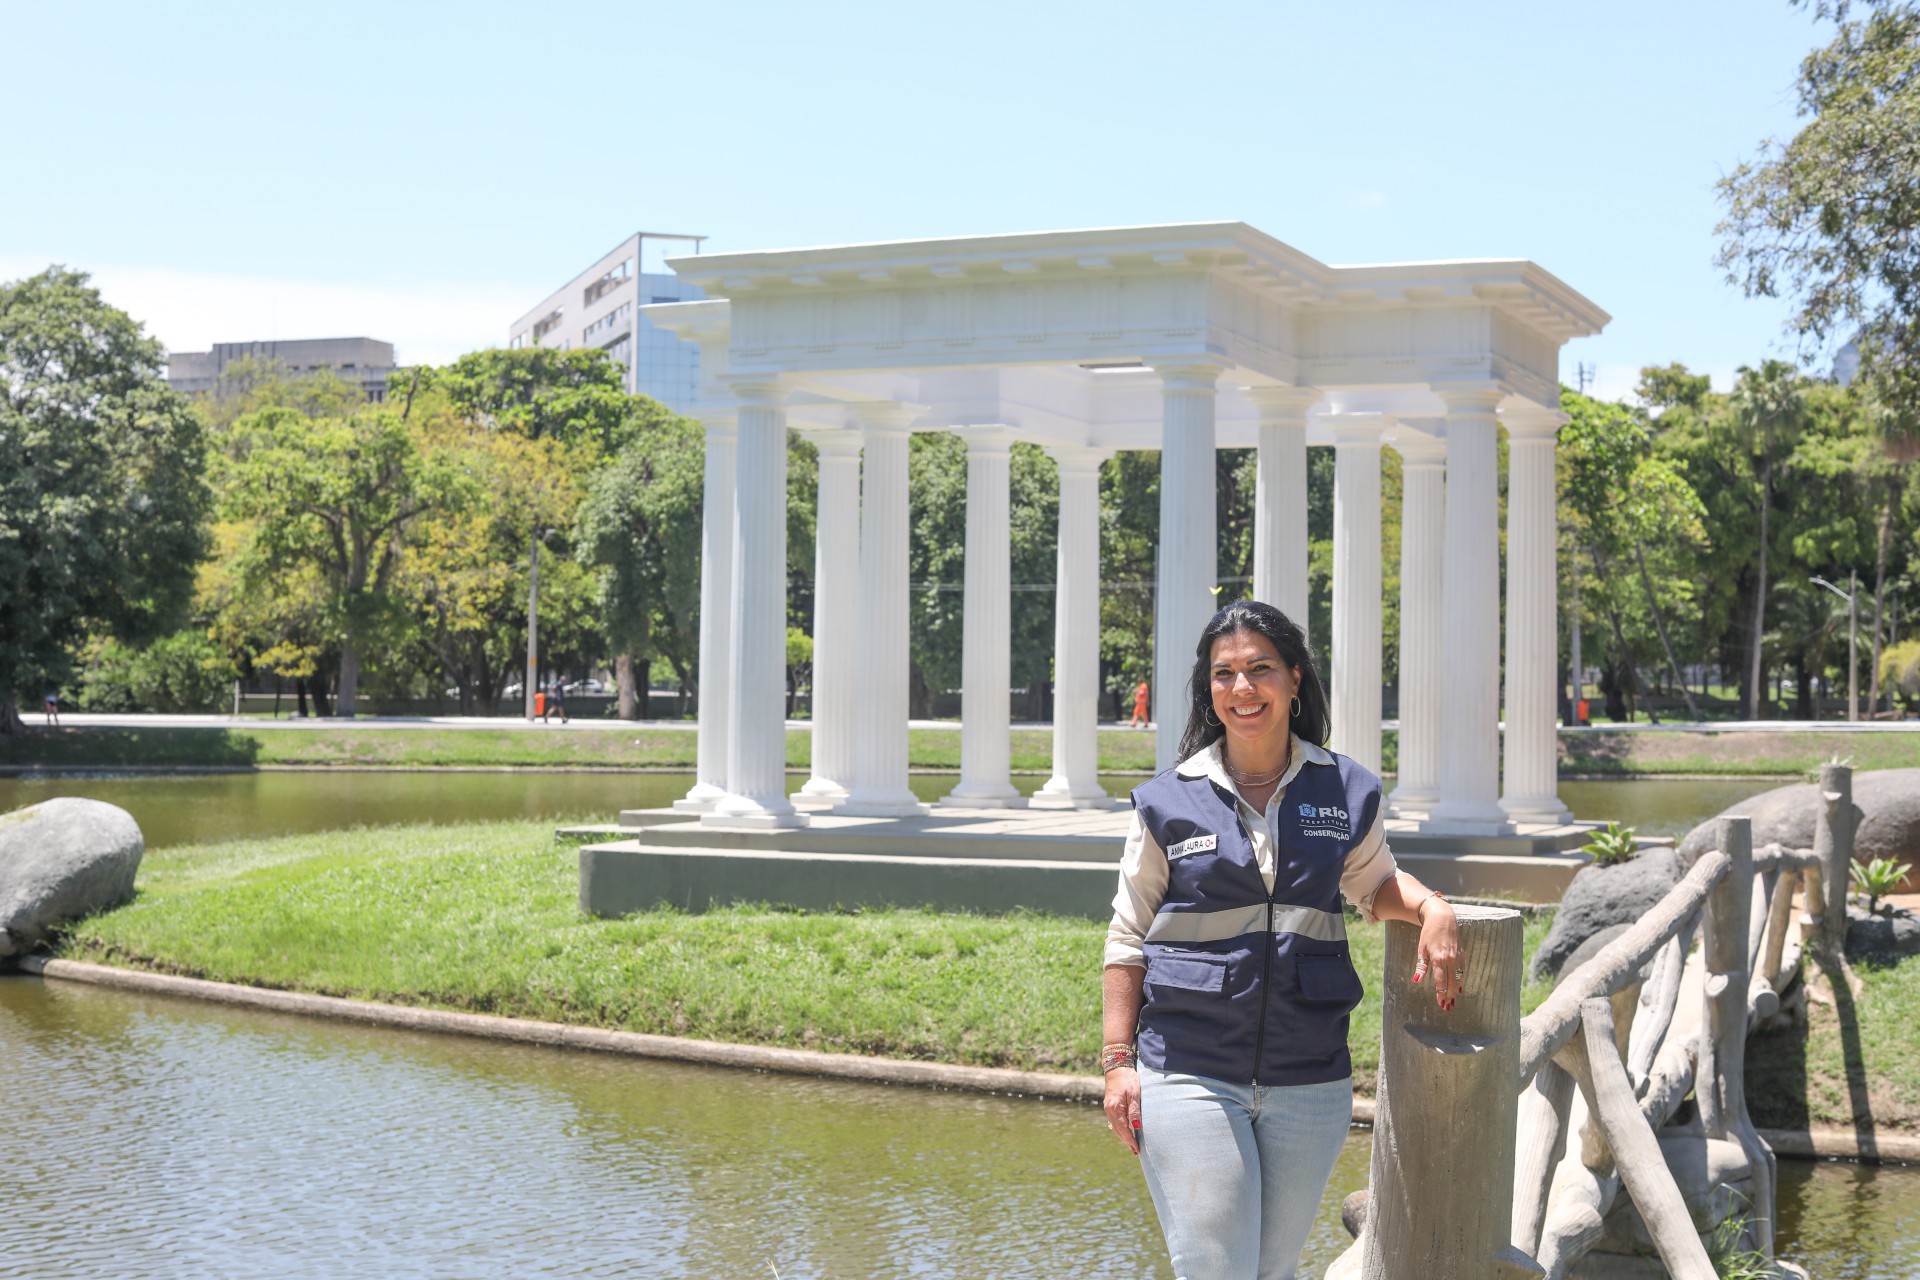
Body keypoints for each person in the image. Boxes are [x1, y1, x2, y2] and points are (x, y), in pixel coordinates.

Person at [1101, 599, 1462, 1280]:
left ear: (1295, 679)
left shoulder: (1345, 789)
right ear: (1209, 690)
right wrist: (1119, 1062)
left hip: (1309, 1076)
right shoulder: (1167, 801)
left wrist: (1430, 906)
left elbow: (1373, 885)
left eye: (1260, 670)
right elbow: (1127, 938)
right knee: (1216, 1268)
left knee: (1272, 1270)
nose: (1242, 689)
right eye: (1225, 673)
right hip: (1188, 1066)